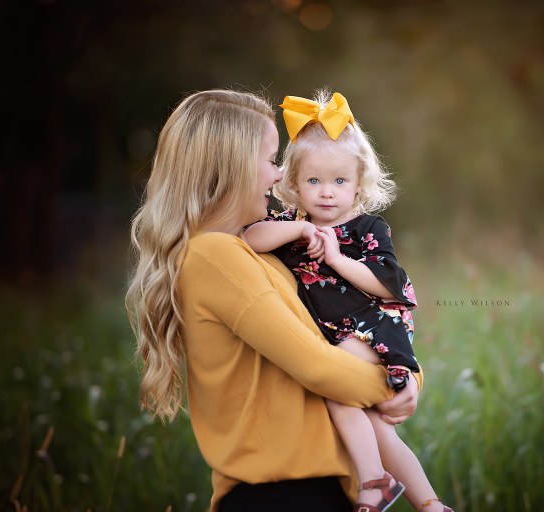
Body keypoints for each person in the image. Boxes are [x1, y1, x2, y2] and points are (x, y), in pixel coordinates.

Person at [125, 89, 423, 512]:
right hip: (281, 494)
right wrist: (397, 383)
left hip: (308, 488)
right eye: (270, 161)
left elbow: (333, 339)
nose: (278, 175)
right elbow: (318, 367)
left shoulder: (257, 252)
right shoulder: (216, 256)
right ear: (232, 169)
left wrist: (407, 374)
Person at [244, 91, 452, 512]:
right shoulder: (292, 225)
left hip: (373, 322)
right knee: (376, 425)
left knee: (337, 389)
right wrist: (300, 233)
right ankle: (429, 503)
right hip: (336, 335)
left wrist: (336, 256)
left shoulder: (366, 227)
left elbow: (388, 284)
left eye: (339, 181)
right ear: (293, 184)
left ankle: (374, 482)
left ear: (359, 184)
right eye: (313, 181)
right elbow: (250, 238)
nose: (326, 193)